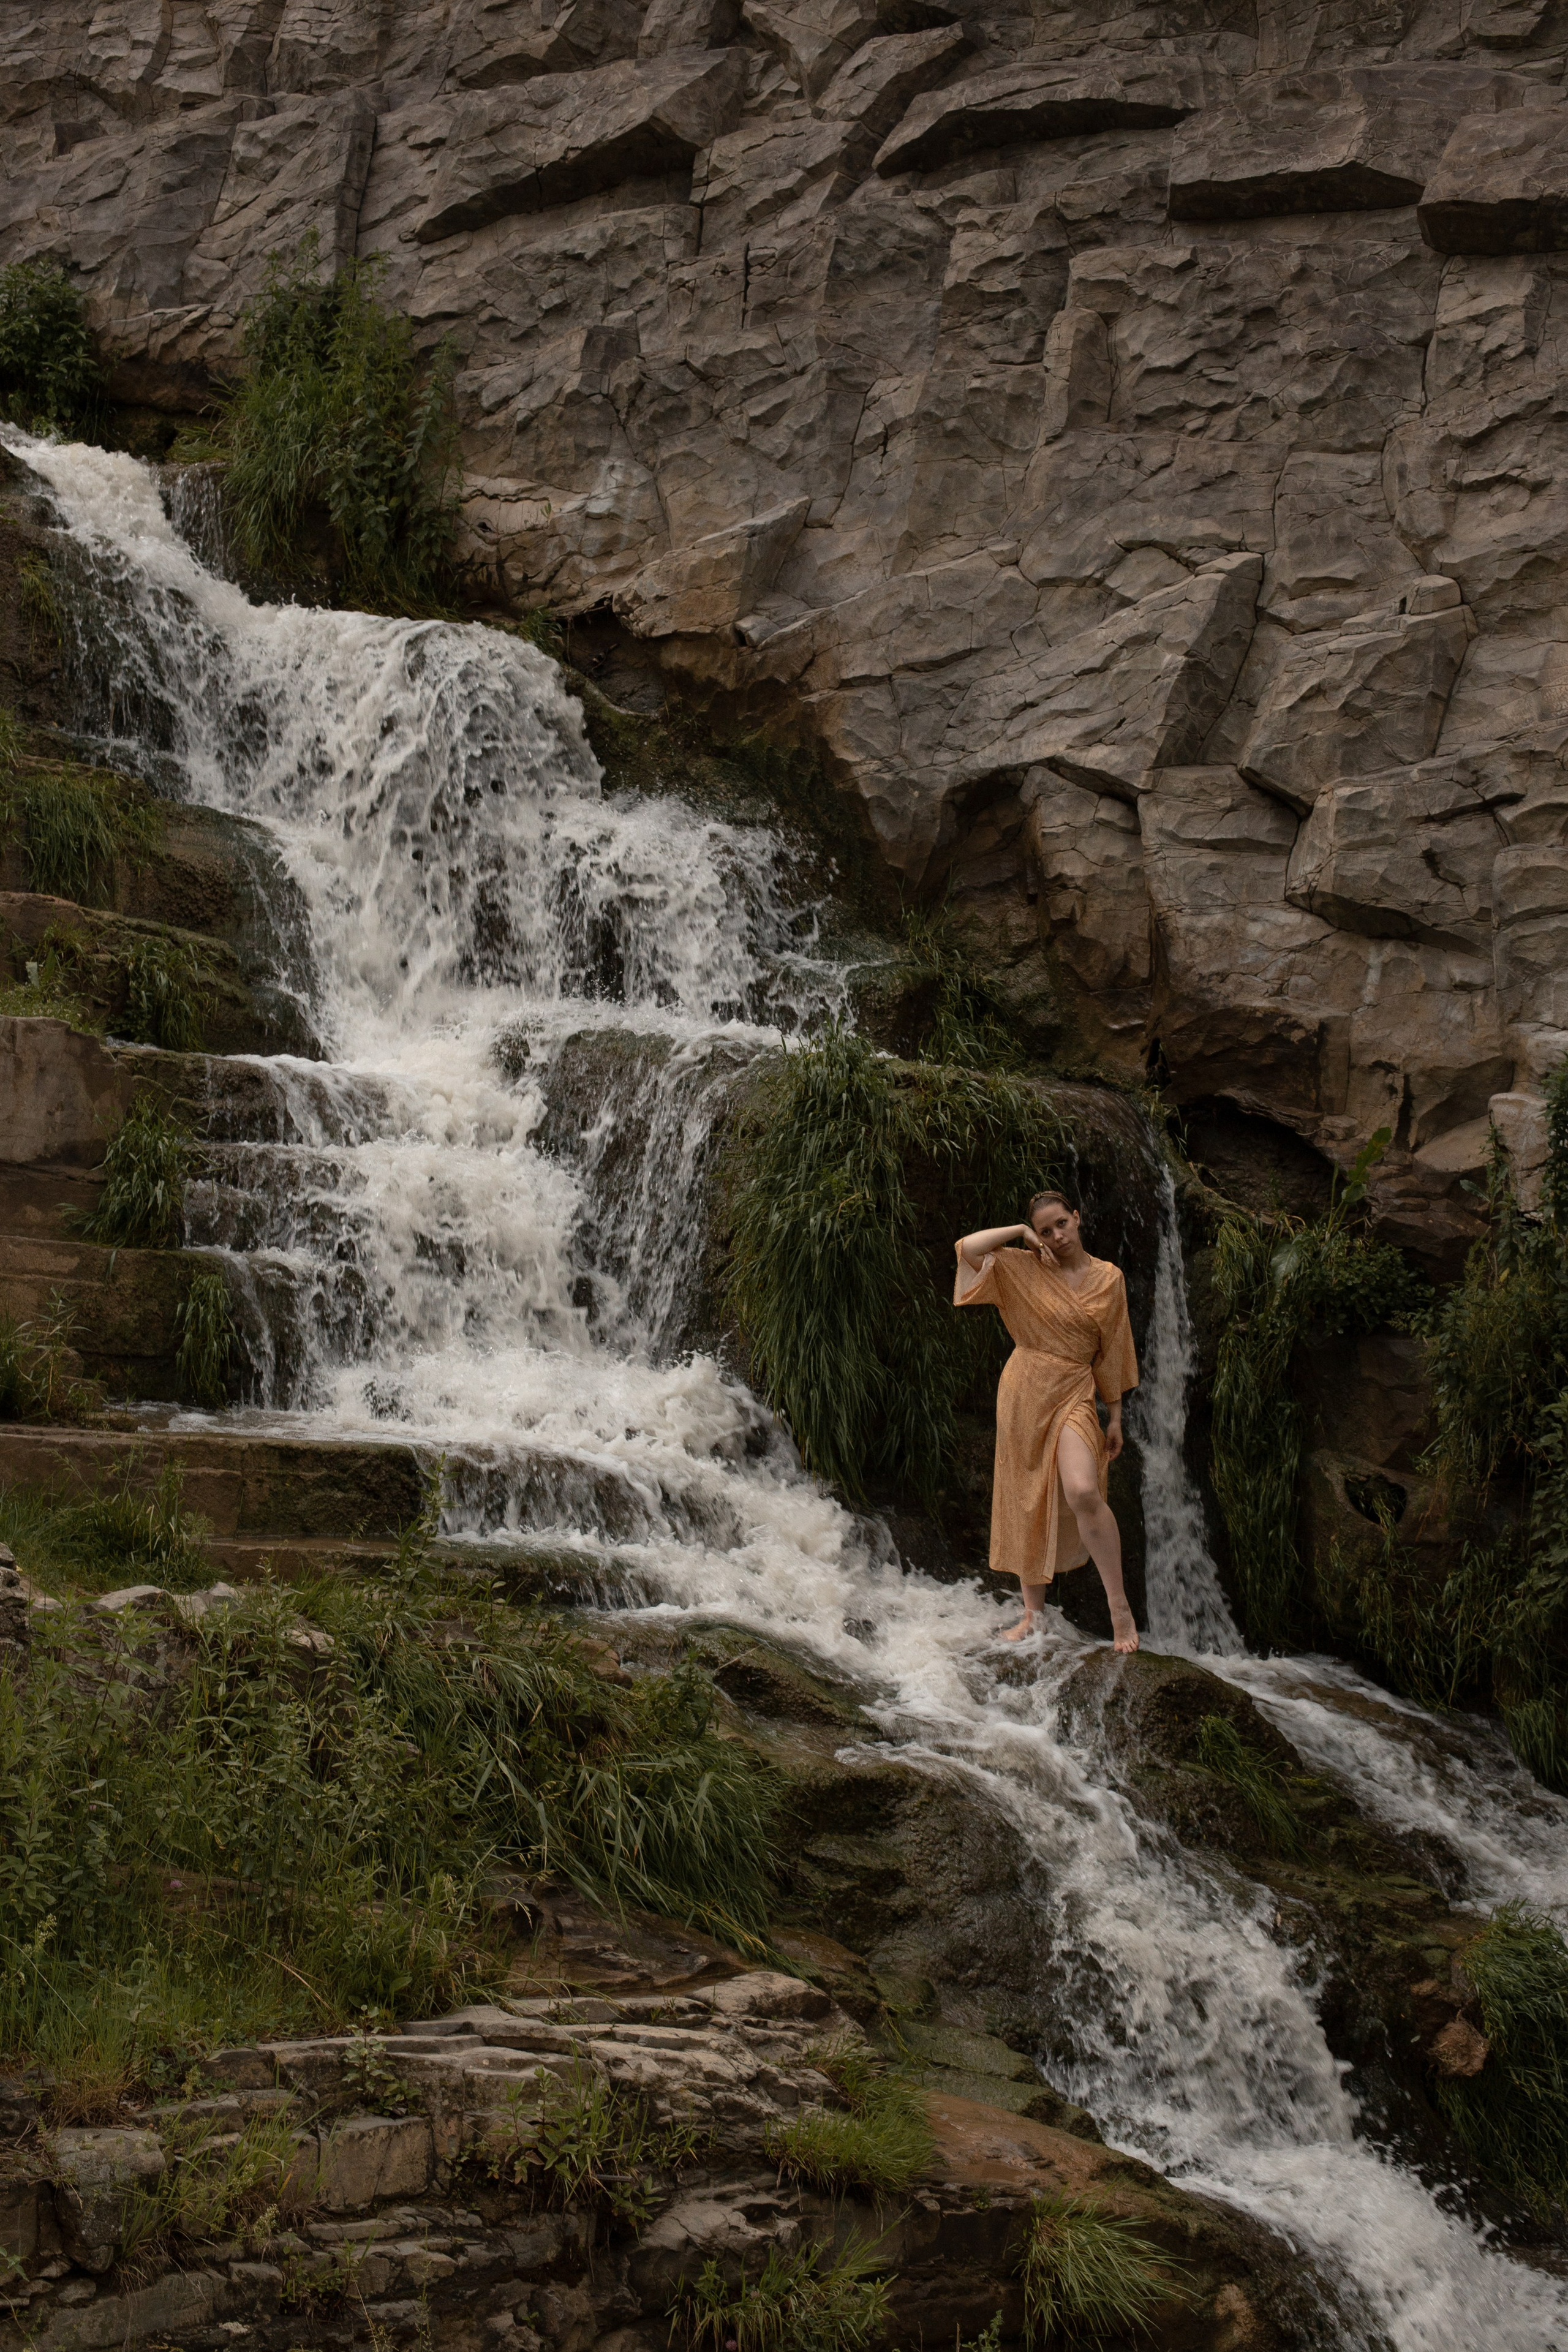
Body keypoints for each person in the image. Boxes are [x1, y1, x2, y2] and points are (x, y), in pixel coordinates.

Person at [954, 1189, 1140, 1651]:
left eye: (1062, 1224)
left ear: (1077, 1219)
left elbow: (1114, 1349)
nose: (1056, 1236)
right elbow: (967, 1249)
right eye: (1044, 1230)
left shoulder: (1108, 1279)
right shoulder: (1023, 1266)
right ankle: (1032, 1616)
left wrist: (1115, 1417)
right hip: (1024, 1389)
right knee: (1027, 1497)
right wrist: (1018, 1234)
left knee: (1081, 1489)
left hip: (1076, 1390)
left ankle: (1120, 1608)